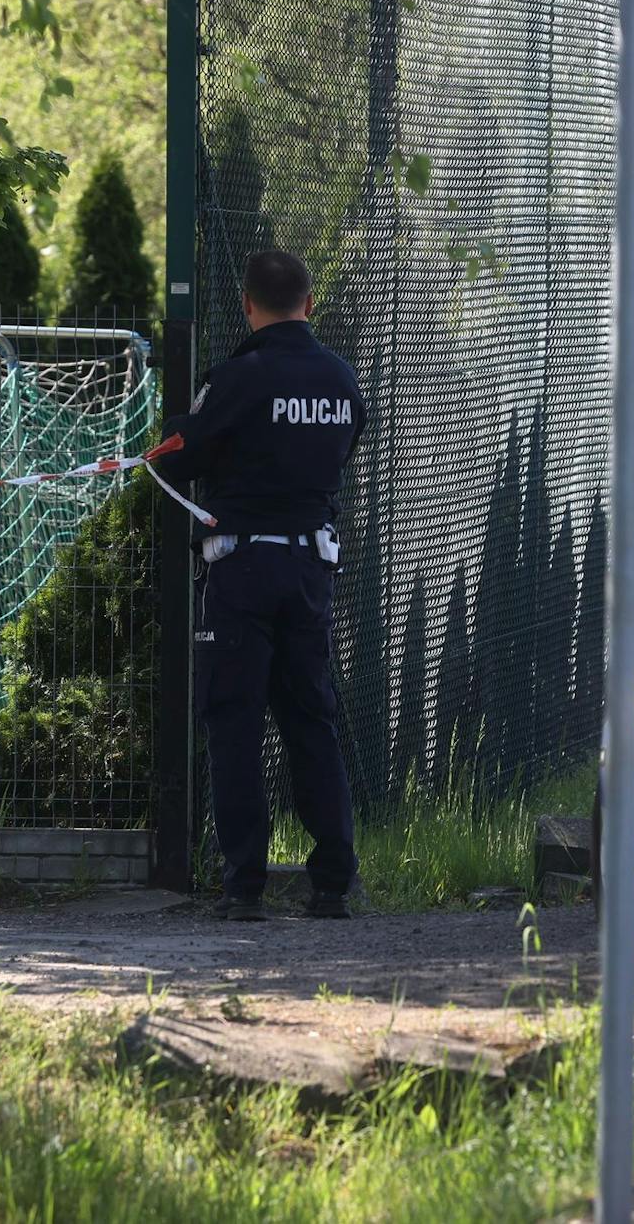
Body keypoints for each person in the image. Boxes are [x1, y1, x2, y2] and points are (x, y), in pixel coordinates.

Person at [150, 250, 368, 921]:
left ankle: (243, 885)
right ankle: (333, 881)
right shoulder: (341, 381)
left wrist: (180, 435)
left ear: (248, 305)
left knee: (234, 720)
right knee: (311, 718)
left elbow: (179, 459)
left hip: (241, 571)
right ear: (308, 304)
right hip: (310, 570)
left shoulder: (238, 379)